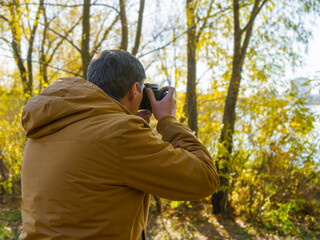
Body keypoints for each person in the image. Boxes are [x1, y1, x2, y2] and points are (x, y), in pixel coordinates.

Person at [20, 49, 219, 240]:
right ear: (134, 90)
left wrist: (130, 124)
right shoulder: (121, 134)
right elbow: (205, 178)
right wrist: (168, 121)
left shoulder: (46, 124)